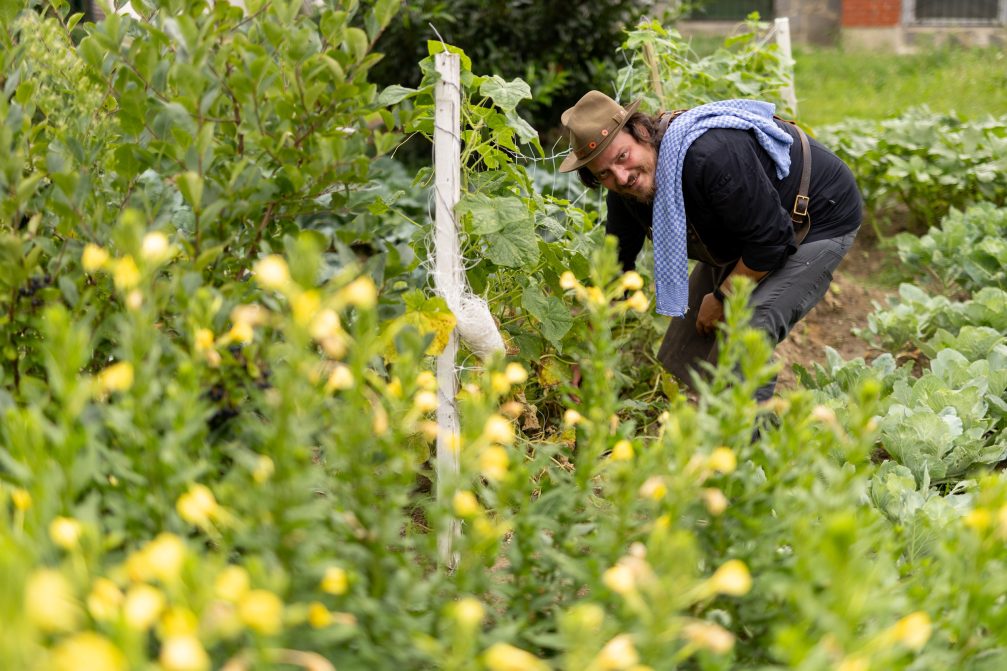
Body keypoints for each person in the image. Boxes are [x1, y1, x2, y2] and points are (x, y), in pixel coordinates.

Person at [558, 90, 862, 401]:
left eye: (623, 157)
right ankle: (701, 424)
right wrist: (589, 351)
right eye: (605, 173)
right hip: (752, 229)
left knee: (747, 338)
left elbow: (771, 240)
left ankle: (750, 444)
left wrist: (721, 297)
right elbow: (617, 267)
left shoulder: (709, 155)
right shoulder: (625, 192)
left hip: (816, 216)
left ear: (641, 133)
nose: (622, 177)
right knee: (683, 352)